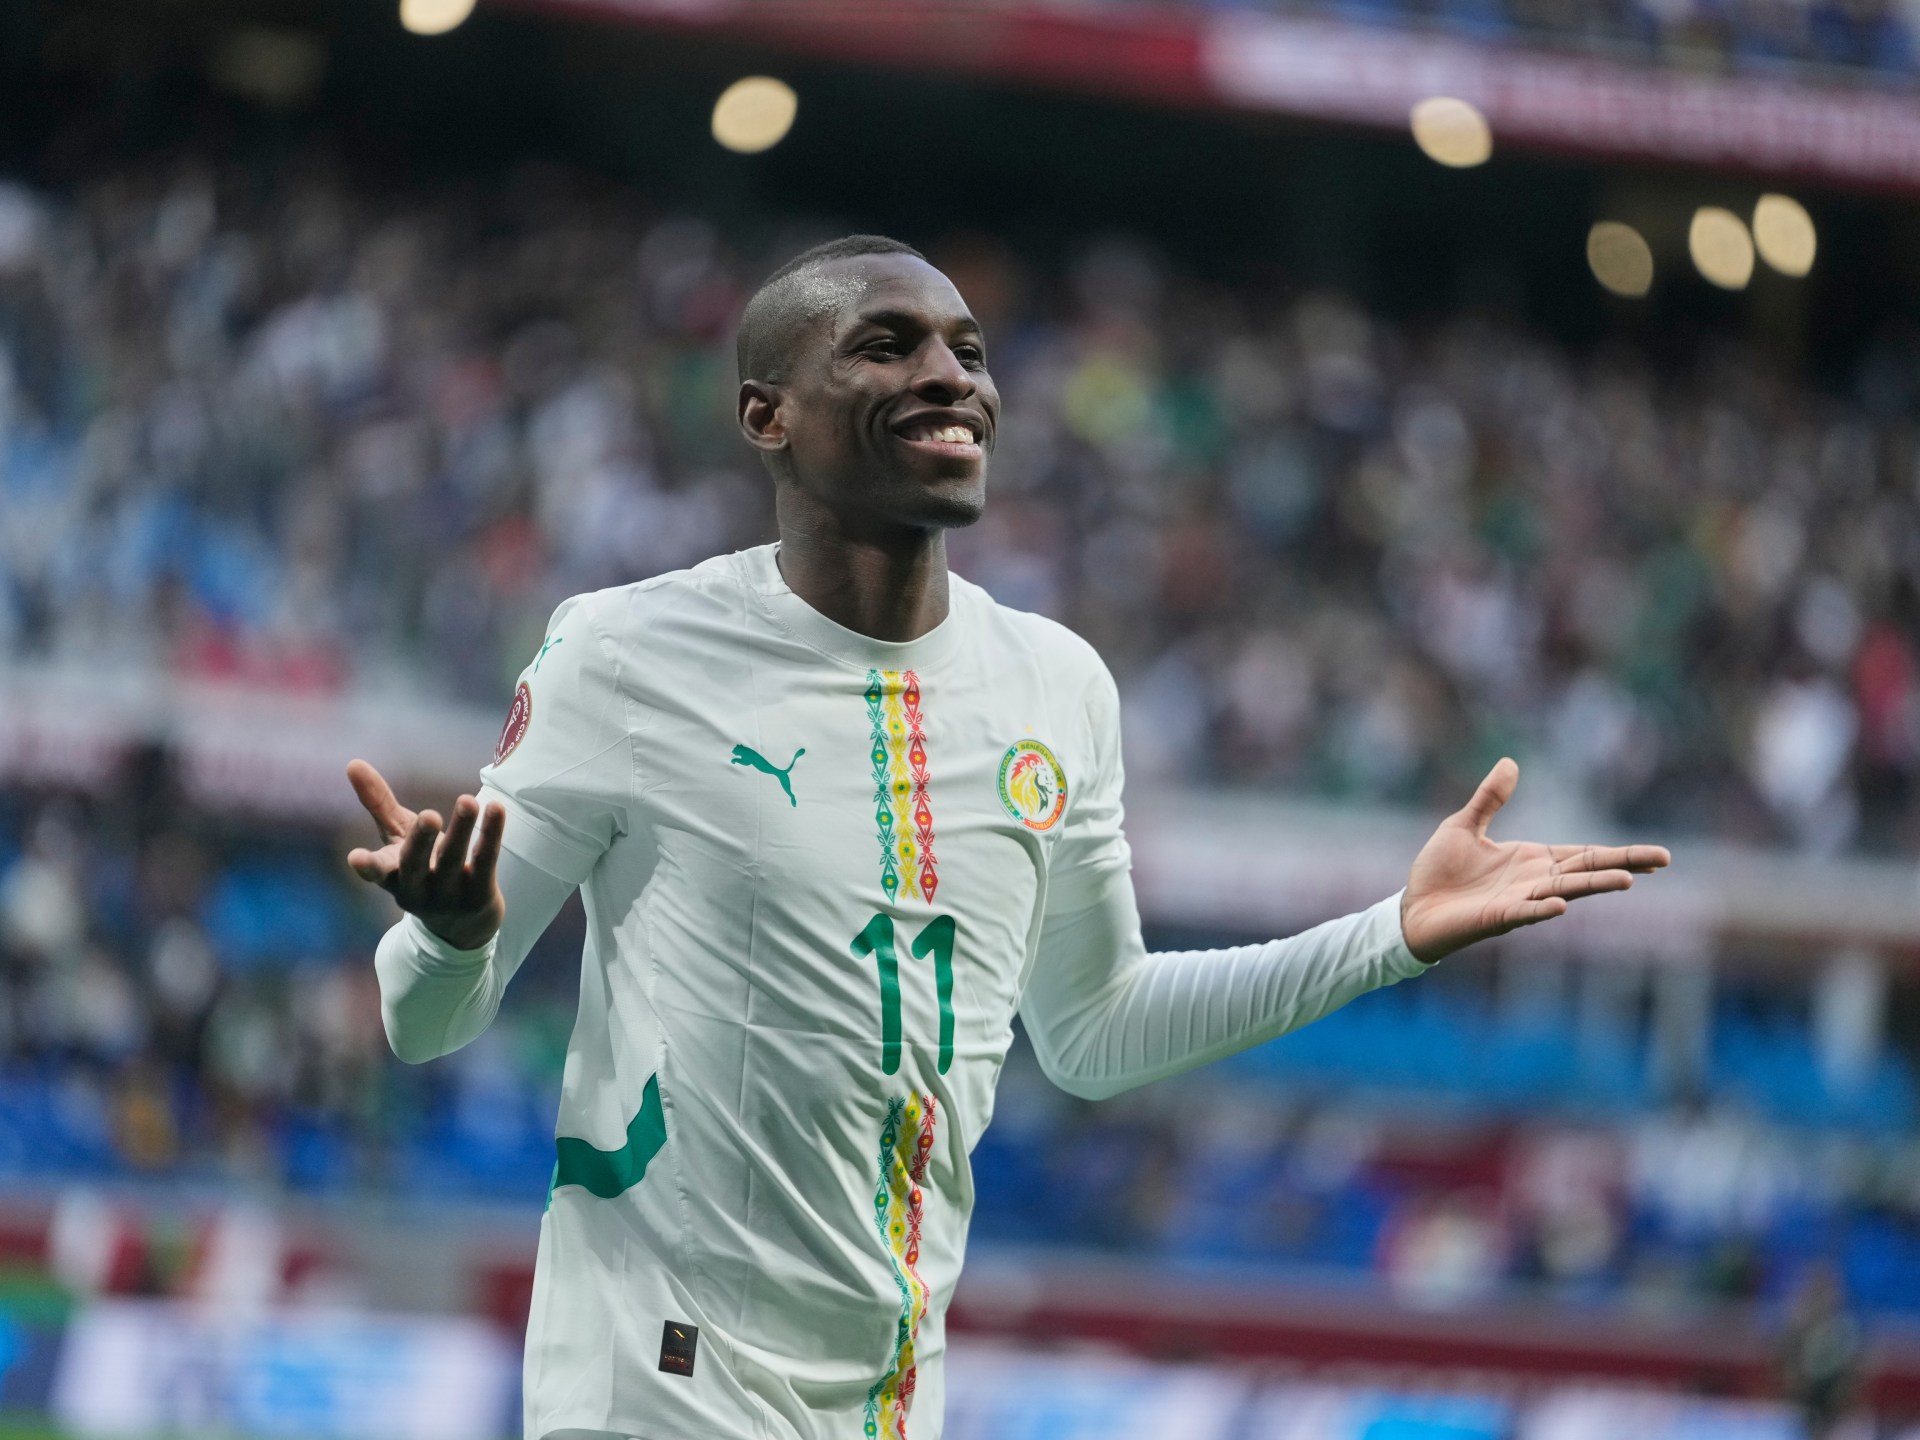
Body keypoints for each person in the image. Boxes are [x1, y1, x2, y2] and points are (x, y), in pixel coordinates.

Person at [345, 235, 1670, 1440]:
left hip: (889, 1400)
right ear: (768, 415)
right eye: (887, 346)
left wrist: (1389, 937)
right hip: (656, 1385)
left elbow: (1092, 1031)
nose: (951, 378)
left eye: (968, 353)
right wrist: (453, 939)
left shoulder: (1056, 686)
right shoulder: (626, 656)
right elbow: (421, 1020)